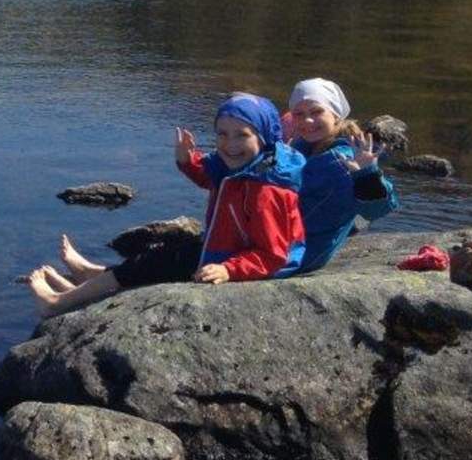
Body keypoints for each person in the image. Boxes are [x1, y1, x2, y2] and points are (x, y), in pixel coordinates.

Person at [27, 93, 306, 318]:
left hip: (243, 260)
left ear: (264, 137)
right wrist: (186, 159)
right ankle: (90, 277)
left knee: (156, 262)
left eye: (241, 135)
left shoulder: (267, 190)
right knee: (157, 257)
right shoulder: (245, 165)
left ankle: (57, 303)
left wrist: (229, 269)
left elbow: (272, 255)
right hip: (228, 247)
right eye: (222, 134)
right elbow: (209, 177)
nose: (230, 143)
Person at [281, 77, 396, 275]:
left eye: (317, 112)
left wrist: (366, 174)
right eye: (299, 114)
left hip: (301, 252)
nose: (307, 120)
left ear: (335, 115)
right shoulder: (303, 147)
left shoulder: (344, 158)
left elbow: (379, 209)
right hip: (284, 238)